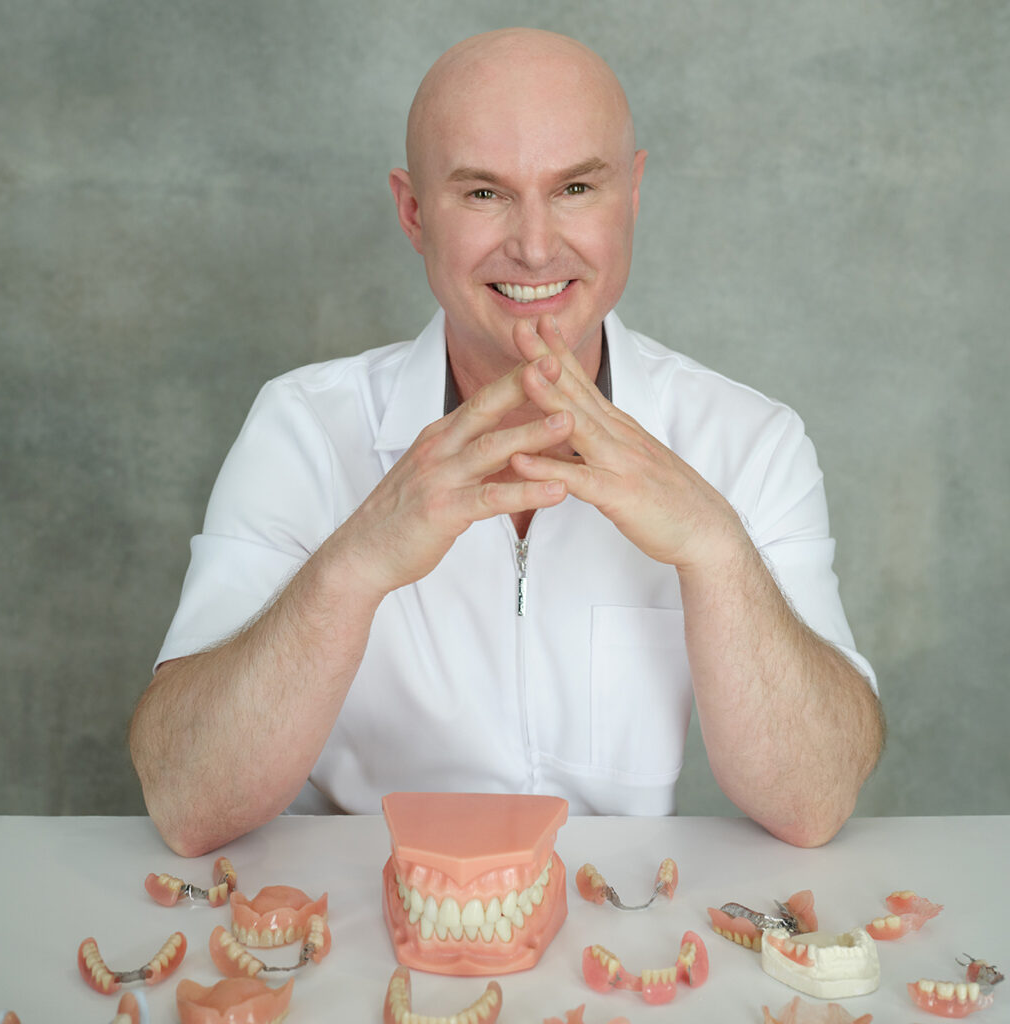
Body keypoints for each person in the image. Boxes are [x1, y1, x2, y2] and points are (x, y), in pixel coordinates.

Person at [130, 28, 884, 858]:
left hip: (619, 929)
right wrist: (353, 565)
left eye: (575, 188)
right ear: (414, 212)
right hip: (355, 927)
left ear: (631, 195)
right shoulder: (302, 427)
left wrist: (715, 549)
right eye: (484, 194)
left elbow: (814, 802)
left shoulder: (751, 439)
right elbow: (186, 800)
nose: (533, 244)